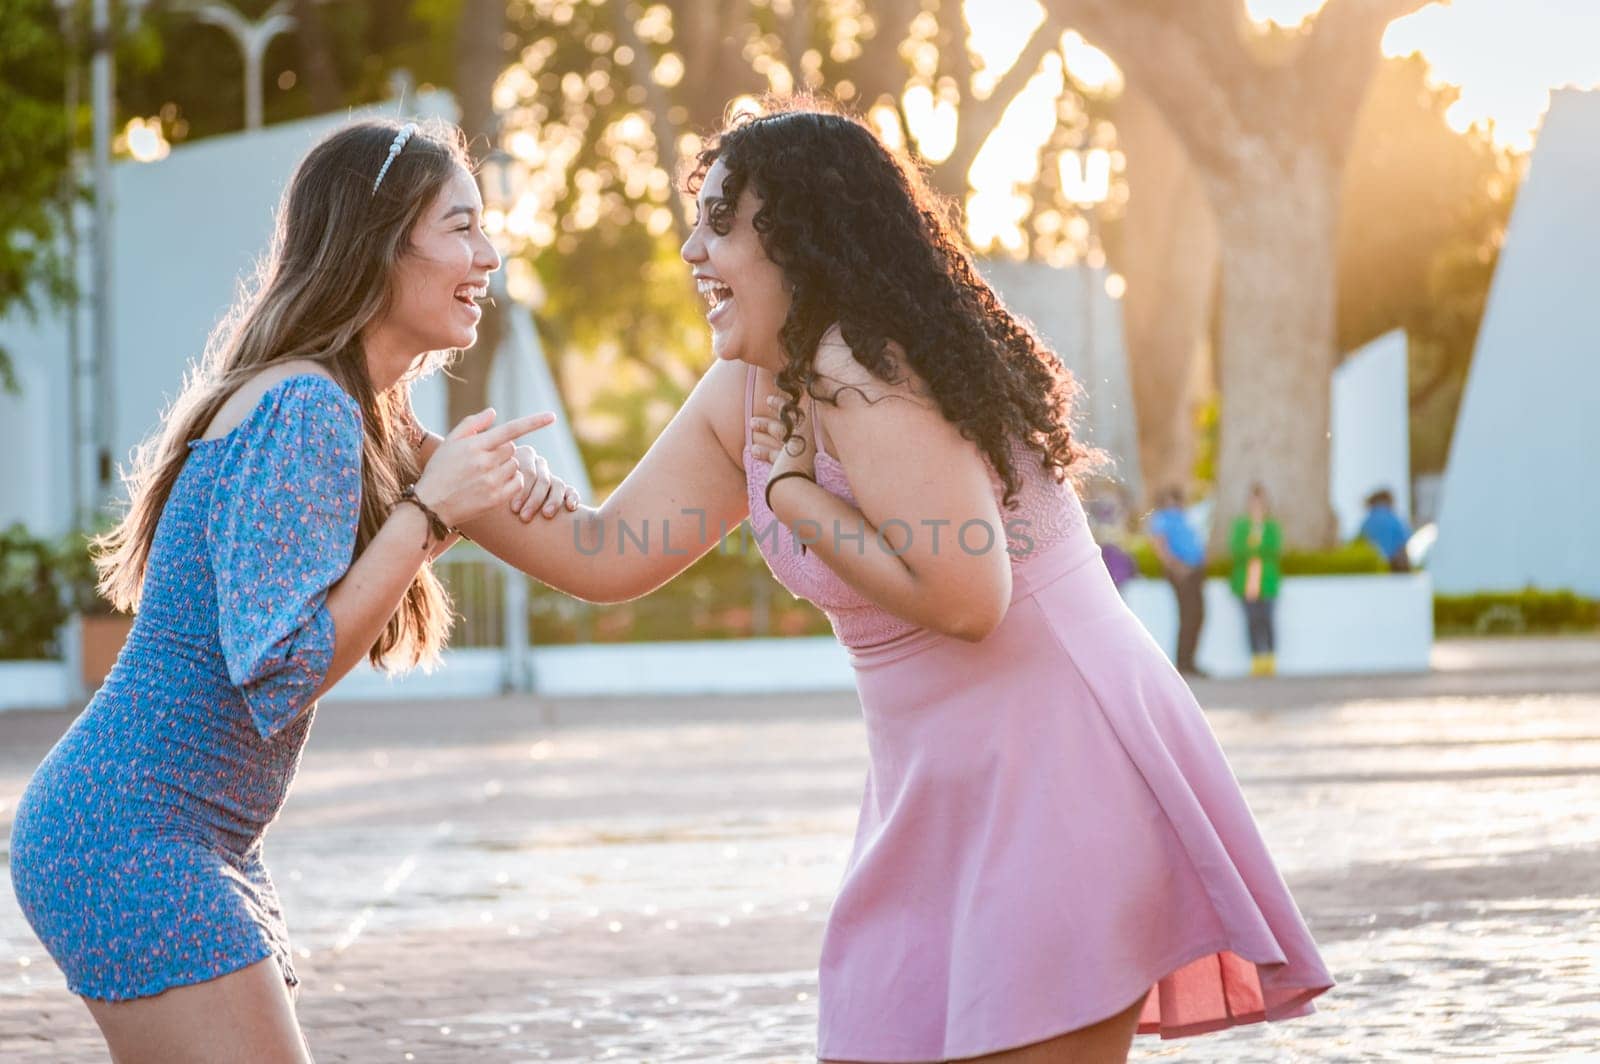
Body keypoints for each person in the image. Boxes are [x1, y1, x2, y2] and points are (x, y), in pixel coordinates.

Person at [461, 99, 1332, 1063]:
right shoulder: (757, 383)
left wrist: (797, 500)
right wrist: (417, 472)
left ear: (800, 239)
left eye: (718, 221)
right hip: (935, 797)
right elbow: (607, 553)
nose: (688, 248)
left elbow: (969, 597)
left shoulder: (855, 364)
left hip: (1052, 767)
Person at [7, 118, 575, 1063]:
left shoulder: (355, 413)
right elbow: (281, 669)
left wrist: (509, 487)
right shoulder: (307, 404)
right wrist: (428, 518)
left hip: (155, 832)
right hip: (133, 835)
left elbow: (586, 545)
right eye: (463, 227)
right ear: (380, 240)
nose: (490, 252)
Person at [1147, 486, 1208, 677]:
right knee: (1188, 615)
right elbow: (1159, 544)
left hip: (1194, 571)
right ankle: (1183, 663)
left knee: (1197, 614)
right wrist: (1176, 565)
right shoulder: (1161, 518)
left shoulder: (1185, 516)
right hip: (1181, 572)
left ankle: (1190, 660)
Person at [1230, 482, 1283, 676]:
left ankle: (1269, 659)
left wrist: (1253, 548)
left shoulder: (1271, 526)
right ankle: (1256, 661)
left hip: (1266, 582)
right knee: (1251, 621)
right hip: (1246, 582)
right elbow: (1237, 549)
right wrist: (1256, 548)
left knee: (1267, 620)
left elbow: (1273, 549)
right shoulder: (1242, 526)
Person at [1359, 487, 1413, 572]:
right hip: (1395, 565)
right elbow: (1404, 538)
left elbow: (1360, 541)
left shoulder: (1367, 521)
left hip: (1374, 566)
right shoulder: (1394, 519)